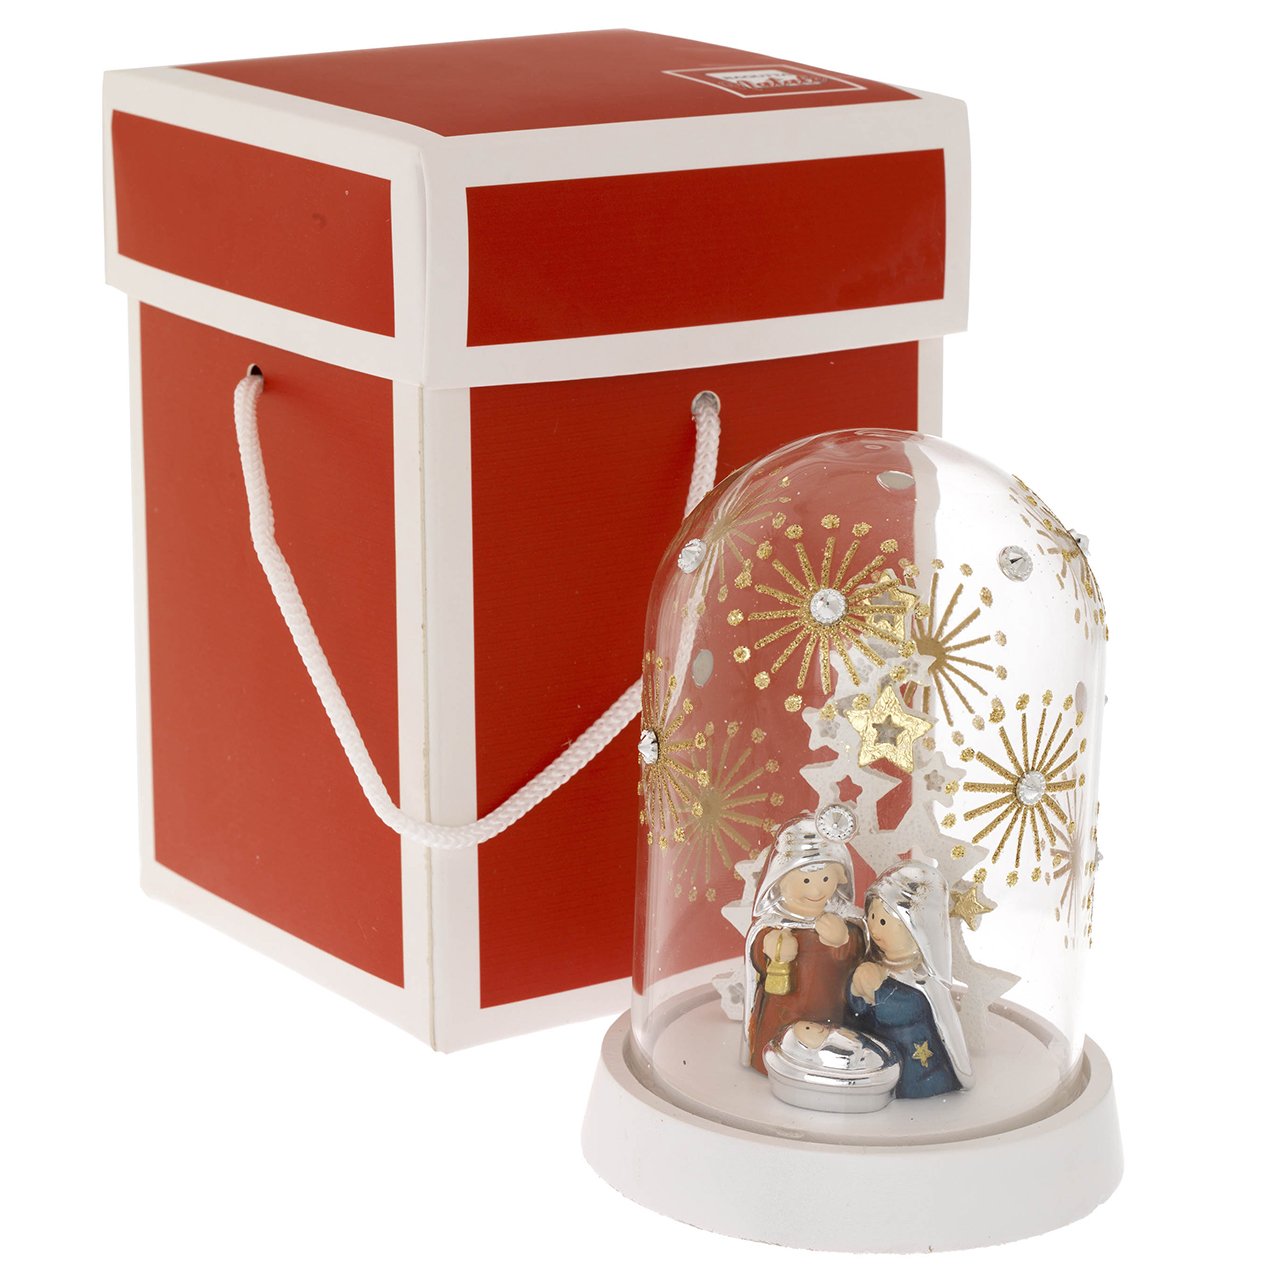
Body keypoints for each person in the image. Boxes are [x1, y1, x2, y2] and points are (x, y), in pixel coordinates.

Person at [743, 816, 864, 1074]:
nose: (817, 891)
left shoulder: (843, 919)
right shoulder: (774, 924)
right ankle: (771, 1062)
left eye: (825, 879)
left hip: (830, 1006)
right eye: (807, 881)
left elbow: (858, 956)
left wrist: (844, 940)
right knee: (777, 1044)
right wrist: (770, 948)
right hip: (784, 1009)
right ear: (781, 880)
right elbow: (756, 956)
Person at [847, 862, 974, 1099]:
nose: (875, 929)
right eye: (872, 916)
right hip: (881, 1058)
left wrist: (876, 991)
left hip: (916, 1066)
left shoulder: (923, 980)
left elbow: (903, 1010)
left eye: (883, 922)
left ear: (916, 928)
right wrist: (856, 989)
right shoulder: (876, 964)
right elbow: (858, 1011)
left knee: (910, 1083)